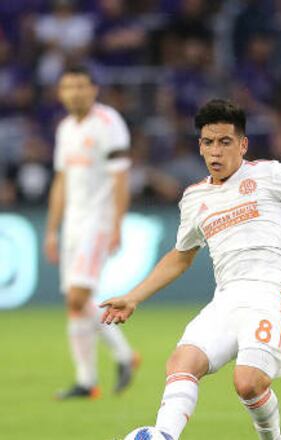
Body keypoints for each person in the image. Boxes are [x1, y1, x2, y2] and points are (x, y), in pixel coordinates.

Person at [100, 99, 281, 440]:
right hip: (227, 298)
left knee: (248, 383)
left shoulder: (270, 174)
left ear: (243, 145)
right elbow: (180, 256)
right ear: (199, 146)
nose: (215, 151)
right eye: (207, 142)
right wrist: (133, 297)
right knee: (180, 363)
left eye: (224, 142)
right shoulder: (194, 198)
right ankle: (163, 436)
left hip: (273, 292)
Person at [44, 66, 138, 399]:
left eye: (81, 86)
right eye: (68, 87)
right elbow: (61, 181)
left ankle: (125, 354)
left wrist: (117, 224)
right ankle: (86, 381)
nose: (75, 92)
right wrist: (52, 230)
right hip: (73, 223)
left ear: (93, 89)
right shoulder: (66, 128)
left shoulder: (108, 123)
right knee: (75, 305)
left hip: (98, 220)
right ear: (60, 92)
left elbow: (121, 178)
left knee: (77, 296)